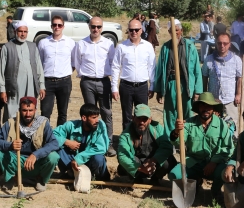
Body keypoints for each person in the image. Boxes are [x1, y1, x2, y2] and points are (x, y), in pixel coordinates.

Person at [169, 92, 233, 203]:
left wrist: (214, 162)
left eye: (209, 106)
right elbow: (178, 143)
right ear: (198, 107)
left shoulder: (222, 125)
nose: (206, 109)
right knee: (174, 174)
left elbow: (228, 148)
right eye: (203, 105)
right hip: (194, 163)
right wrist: (176, 132)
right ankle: (195, 181)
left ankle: (216, 190)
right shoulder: (188, 124)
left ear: (213, 108)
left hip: (215, 164)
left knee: (224, 171)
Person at [0, 96, 59, 191]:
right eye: (24, 110)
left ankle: (41, 180)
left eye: (30, 110)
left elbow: (54, 143)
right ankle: (10, 178)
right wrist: (10, 145)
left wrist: (36, 155)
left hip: (36, 164)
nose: (28, 114)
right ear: (19, 110)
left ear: (35, 110)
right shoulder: (11, 123)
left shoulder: (43, 123)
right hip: (15, 162)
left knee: (53, 157)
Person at [73, 16, 116, 154]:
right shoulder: (81, 44)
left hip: (104, 81)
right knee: (90, 114)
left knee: (107, 113)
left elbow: (112, 63)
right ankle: (92, 143)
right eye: (93, 27)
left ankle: (108, 143)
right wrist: (84, 75)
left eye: (98, 27)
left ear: (102, 28)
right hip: (87, 82)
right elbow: (77, 63)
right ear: (89, 27)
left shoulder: (108, 44)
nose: (96, 29)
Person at [111, 19, 156, 143]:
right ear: (128, 31)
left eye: (136, 30)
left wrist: (152, 85)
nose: (134, 32)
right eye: (131, 30)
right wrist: (114, 87)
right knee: (126, 116)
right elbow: (115, 67)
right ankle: (127, 142)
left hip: (142, 87)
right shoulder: (121, 47)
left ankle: (142, 142)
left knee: (143, 116)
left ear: (141, 30)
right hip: (126, 86)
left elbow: (152, 67)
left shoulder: (147, 46)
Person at [154, 19, 203, 134]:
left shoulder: (190, 47)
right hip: (170, 84)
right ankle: (170, 141)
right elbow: (160, 69)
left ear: (181, 30)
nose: (175, 33)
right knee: (170, 113)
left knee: (187, 113)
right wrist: (159, 90)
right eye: (172, 31)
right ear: (169, 31)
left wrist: (197, 91)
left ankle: (186, 140)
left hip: (186, 85)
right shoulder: (166, 47)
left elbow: (196, 69)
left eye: (177, 30)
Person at [0, 20, 45, 122]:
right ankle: (11, 133)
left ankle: (28, 133)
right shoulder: (7, 47)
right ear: (15, 31)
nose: (23, 34)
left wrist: (41, 86)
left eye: (25, 32)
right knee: (12, 110)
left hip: (31, 85)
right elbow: (1, 70)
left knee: (29, 108)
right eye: (20, 31)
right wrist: (2, 90)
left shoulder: (32, 46)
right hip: (14, 85)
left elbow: (39, 68)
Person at [117, 104, 177, 183]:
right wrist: (141, 168)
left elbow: (167, 146)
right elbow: (122, 155)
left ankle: (156, 178)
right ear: (133, 118)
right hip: (137, 165)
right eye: (139, 118)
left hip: (154, 163)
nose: (141, 122)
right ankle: (136, 178)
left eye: (144, 119)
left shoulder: (157, 129)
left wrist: (153, 160)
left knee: (169, 161)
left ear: (150, 119)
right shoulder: (126, 135)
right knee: (124, 164)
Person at [54, 103, 110, 181]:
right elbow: (52, 135)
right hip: (73, 161)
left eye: (97, 117)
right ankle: (72, 173)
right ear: (84, 118)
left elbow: (101, 148)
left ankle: (95, 177)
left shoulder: (100, 126)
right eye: (93, 118)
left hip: (89, 161)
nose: (97, 120)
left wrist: (78, 159)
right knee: (58, 149)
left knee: (98, 158)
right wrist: (66, 141)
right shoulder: (71, 125)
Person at [38, 15, 75, 127]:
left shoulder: (70, 42)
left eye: (59, 25)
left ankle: (60, 138)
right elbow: (39, 62)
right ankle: (44, 137)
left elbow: (73, 63)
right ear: (51, 26)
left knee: (62, 113)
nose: (57, 27)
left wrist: (64, 73)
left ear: (63, 26)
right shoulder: (43, 42)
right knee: (45, 113)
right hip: (47, 82)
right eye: (55, 25)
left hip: (64, 81)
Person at [202, 33, 243, 124]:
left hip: (230, 100)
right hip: (213, 101)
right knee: (212, 126)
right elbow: (204, 77)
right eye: (219, 43)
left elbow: (239, 78)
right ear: (216, 43)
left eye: (225, 43)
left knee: (232, 127)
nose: (222, 45)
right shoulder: (208, 59)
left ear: (230, 44)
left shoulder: (236, 60)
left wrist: (238, 94)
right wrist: (204, 95)